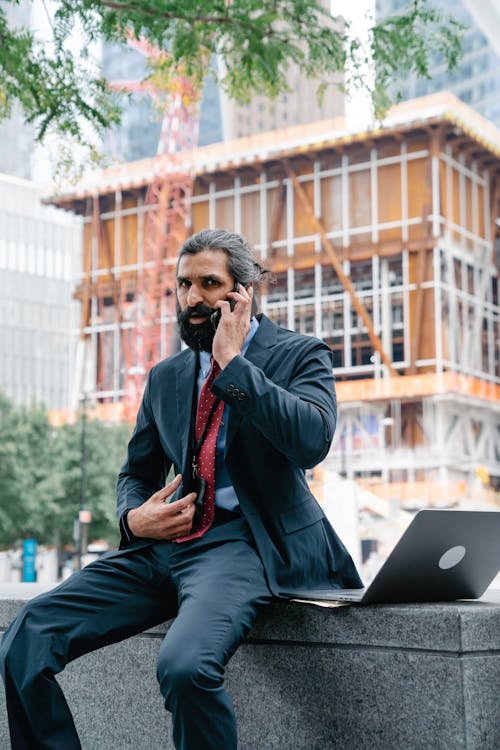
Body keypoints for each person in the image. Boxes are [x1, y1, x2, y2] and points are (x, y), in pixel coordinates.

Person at [0, 228, 362, 750]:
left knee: (186, 666)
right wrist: (132, 519)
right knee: (26, 637)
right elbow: (135, 474)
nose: (193, 299)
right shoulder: (166, 375)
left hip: (243, 546)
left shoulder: (300, 355)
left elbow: (311, 441)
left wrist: (234, 365)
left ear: (245, 290)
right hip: (164, 546)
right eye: (183, 285)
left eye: (209, 284)